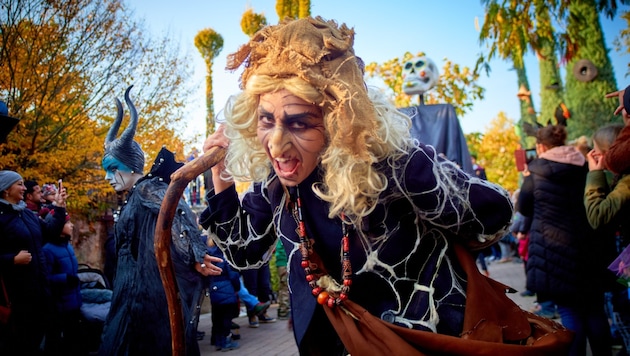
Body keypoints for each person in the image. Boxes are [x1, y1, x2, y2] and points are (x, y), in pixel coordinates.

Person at [199, 17, 513, 354]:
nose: (275, 144)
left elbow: (494, 213)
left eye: (299, 123)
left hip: (428, 338)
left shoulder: (397, 164)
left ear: (337, 118)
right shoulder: (278, 185)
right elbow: (243, 251)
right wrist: (222, 173)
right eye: (266, 119)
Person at [98, 86, 222, 356]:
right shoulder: (132, 196)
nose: (109, 177)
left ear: (130, 166)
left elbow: (176, 215)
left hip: (148, 293)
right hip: (129, 288)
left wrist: (195, 253)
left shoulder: (149, 189)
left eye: (112, 169)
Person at [518, 124, 612, 355]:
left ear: (540, 146)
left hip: (553, 251)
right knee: (595, 310)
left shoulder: (535, 172)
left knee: (569, 312)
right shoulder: (584, 166)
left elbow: (524, 207)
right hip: (590, 247)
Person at [0, 170, 68, 355]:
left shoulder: (27, 214)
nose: (24, 188)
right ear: (6, 189)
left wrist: (60, 208)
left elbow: (51, 232)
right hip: (18, 295)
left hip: (41, 289)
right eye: (19, 184)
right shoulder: (2, 218)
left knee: (47, 337)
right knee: (23, 342)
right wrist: (11, 259)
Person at [584, 123, 630, 353]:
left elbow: (597, 216)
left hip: (628, 263)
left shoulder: (627, 183)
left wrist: (594, 174)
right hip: (624, 261)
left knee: (625, 317)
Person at [42, 213, 83, 355]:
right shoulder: (48, 250)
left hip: (74, 302)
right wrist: (65, 278)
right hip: (59, 306)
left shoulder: (67, 246)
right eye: (67, 223)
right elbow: (45, 278)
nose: (71, 225)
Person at [206, 238, 240, 351]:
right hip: (227, 290)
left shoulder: (207, 254)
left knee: (216, 317)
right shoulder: (225, 255)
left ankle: (217, 340)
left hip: (214, 290)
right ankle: (225, 341)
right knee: (226, 318)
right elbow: (233, 275)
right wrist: (237, 288)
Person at [275, 239, 290, 320]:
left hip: (282, 262)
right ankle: (283, 311)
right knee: (285, 287)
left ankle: (283, 310)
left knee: (283, 287)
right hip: (284, 262)